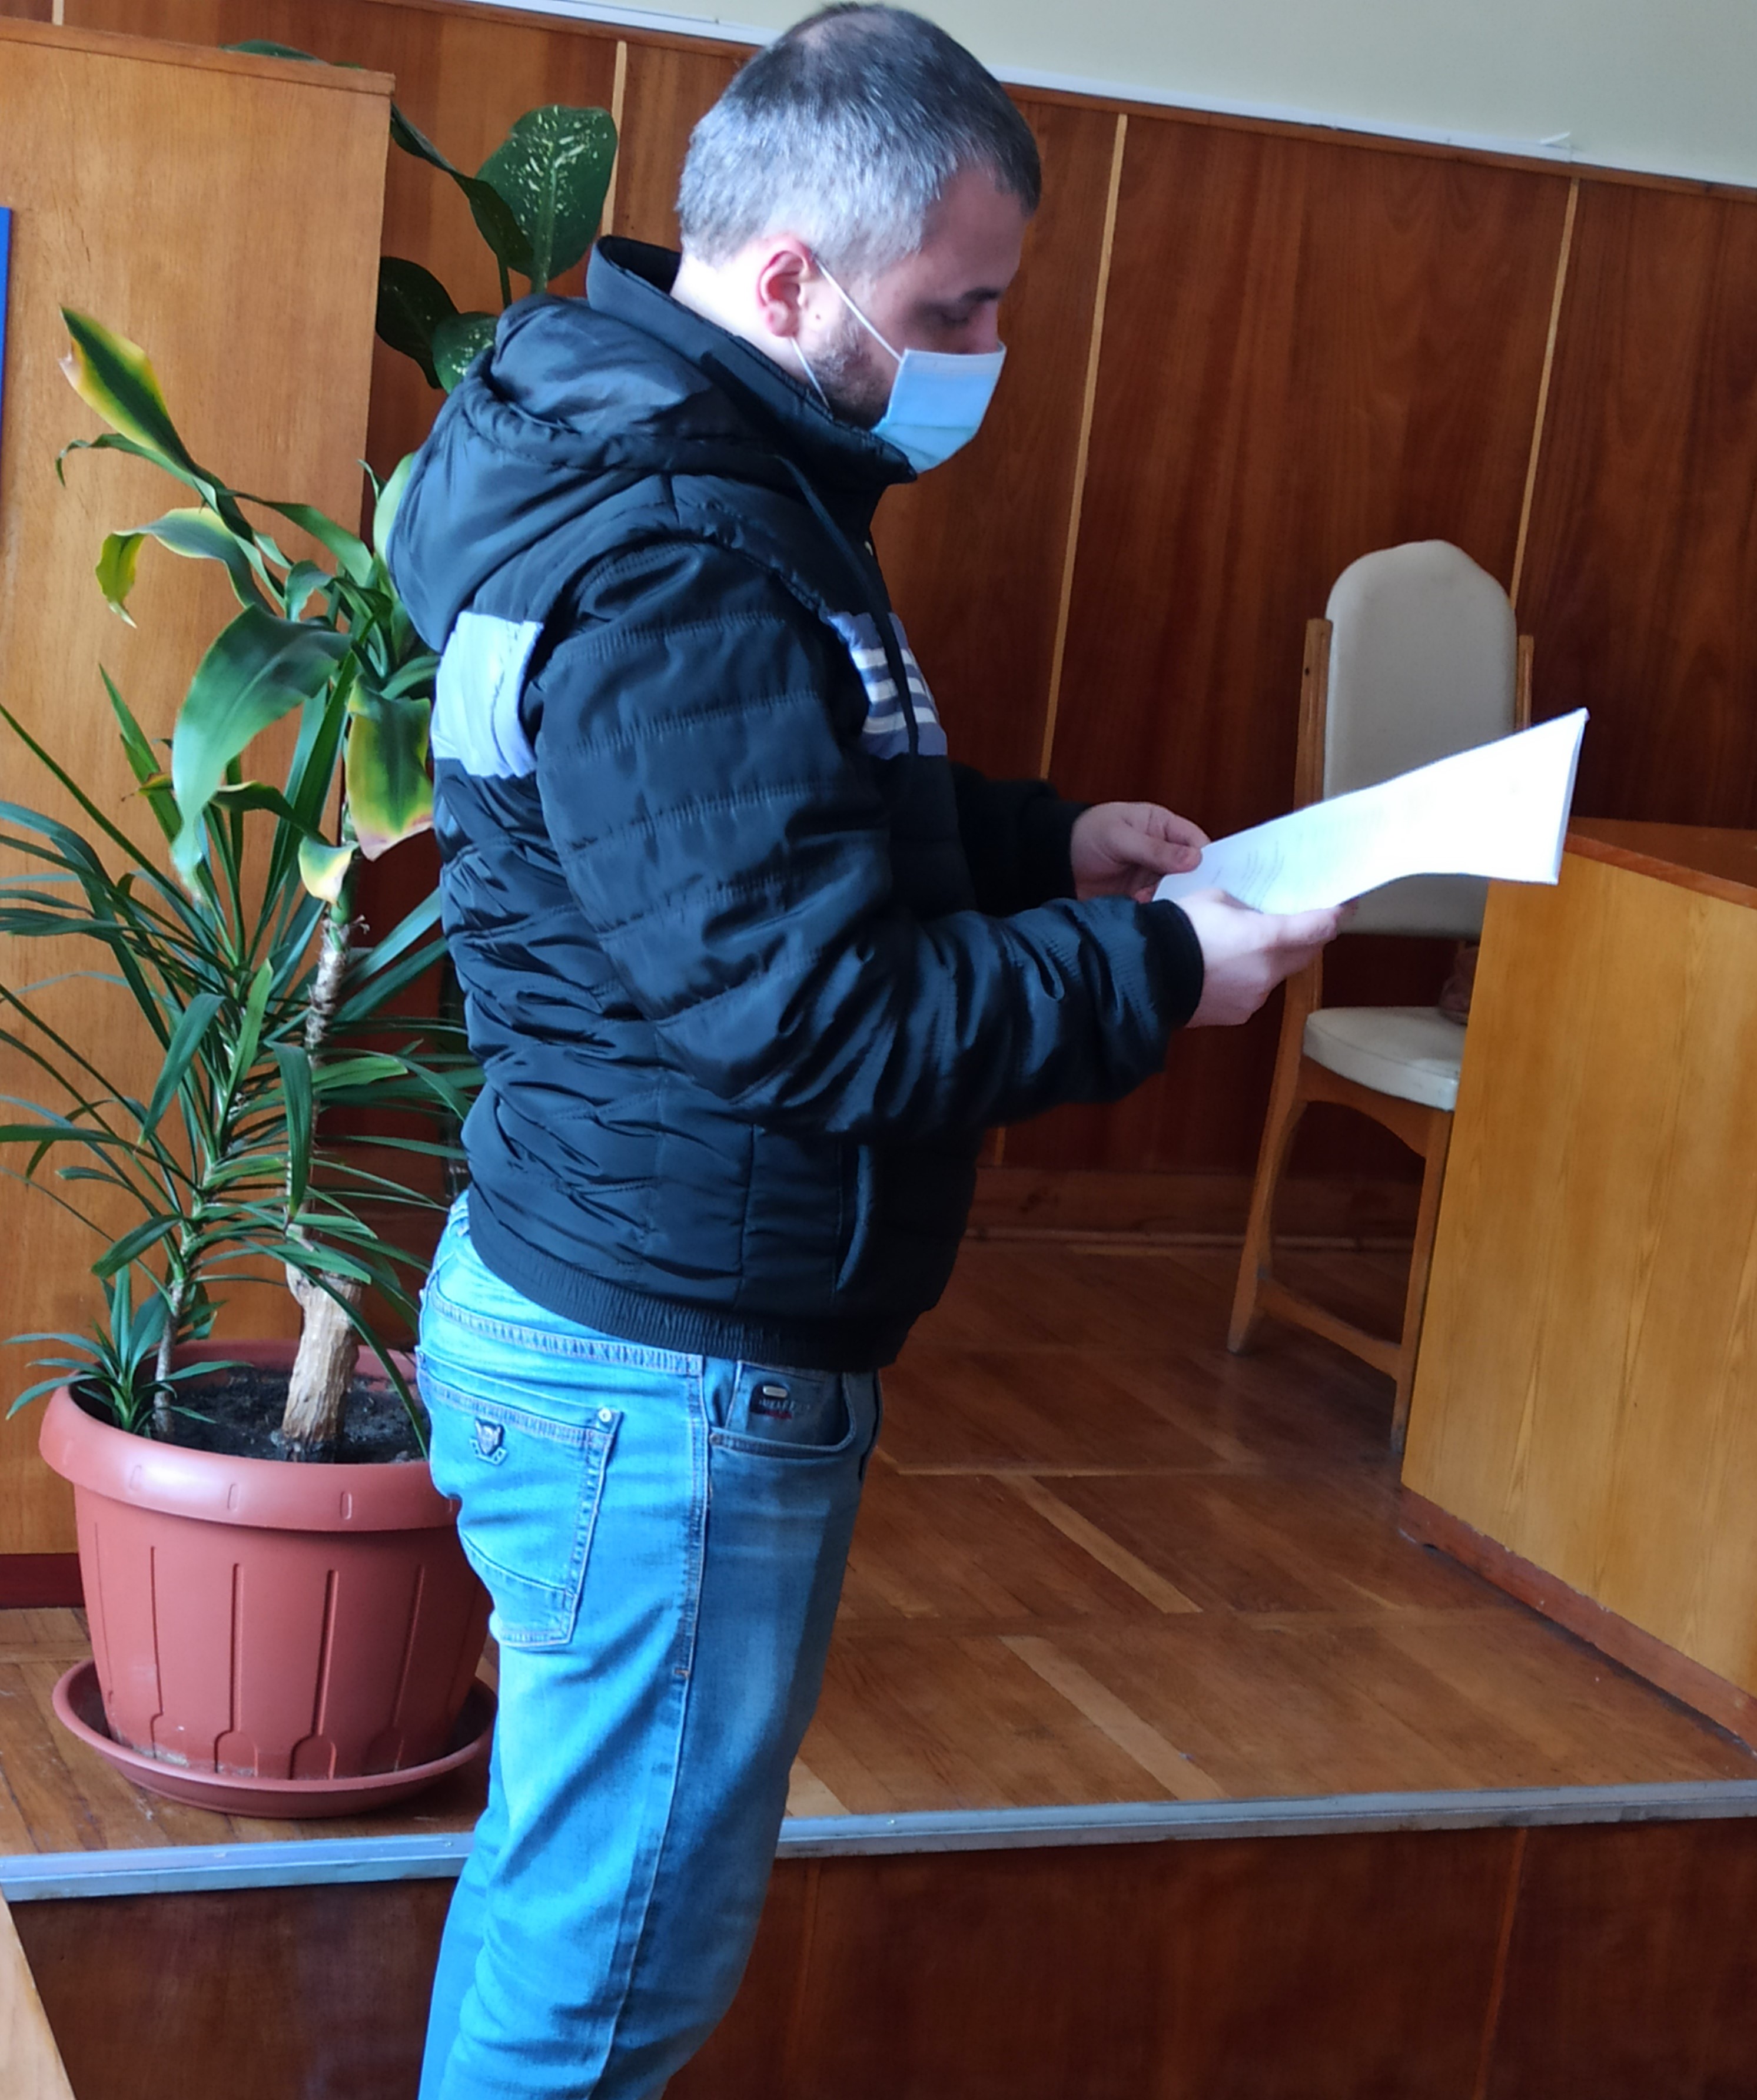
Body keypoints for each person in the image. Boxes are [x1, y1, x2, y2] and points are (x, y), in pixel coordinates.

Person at [390, 8, 1342, 2094]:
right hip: (667, 1362)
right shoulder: (681, 548)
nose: (988, 351)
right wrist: (1155, 971)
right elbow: (812, 1013)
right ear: (788, 279)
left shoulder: (710, 480)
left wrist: (1047, 846)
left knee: (577, 1908)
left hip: (625, 1312)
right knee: (604, 1981)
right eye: (955, 310)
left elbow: (768, 825)